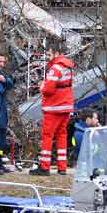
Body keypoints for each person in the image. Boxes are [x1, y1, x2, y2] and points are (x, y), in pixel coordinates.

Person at [31, 42, 75, 176]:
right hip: (66, 106)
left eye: (49, 54)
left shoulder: (55, 68)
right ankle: (62, 167)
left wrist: (41, 86)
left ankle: (45, 167)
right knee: (62, 135)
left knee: (47, 136)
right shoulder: (68, 67)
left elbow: (48, 90)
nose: (48, 57)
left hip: (54, 107)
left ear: (56, 53)